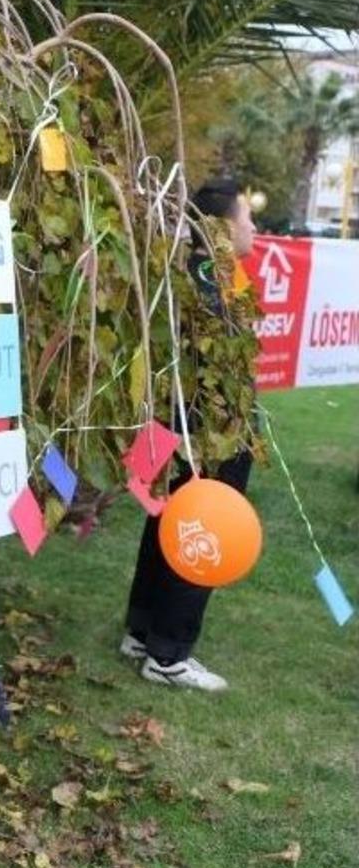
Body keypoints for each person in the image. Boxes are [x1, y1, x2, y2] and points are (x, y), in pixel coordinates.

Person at [121, 178, 256, 692]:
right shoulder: (212, 287)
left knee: (164, 524)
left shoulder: (187, 277)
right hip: (206, 436)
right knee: (202, 531)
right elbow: (217, 376)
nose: (255, 229)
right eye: (249, 219)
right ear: (221, 228)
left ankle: (142, 629)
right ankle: (169, 653)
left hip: (169, 430)